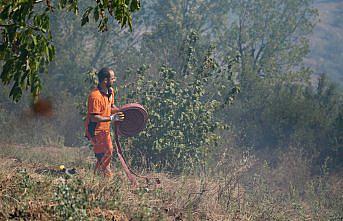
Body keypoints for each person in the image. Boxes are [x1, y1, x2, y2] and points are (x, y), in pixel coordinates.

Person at [85, 67, 125, 177]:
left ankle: (95, 177)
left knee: (107, 153)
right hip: (95, 130)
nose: (114, 80)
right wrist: (112, 118)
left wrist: (122, 111)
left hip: (105, 129)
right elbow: (94, 118)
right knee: (103, 153)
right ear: (105, 80)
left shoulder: (111, 91)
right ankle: (108, 178)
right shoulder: (95, 96)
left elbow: (111, 107)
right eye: (113, 78)